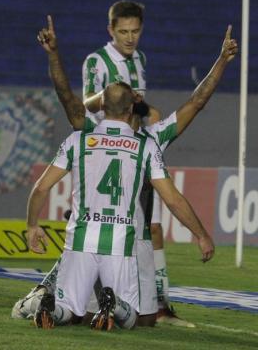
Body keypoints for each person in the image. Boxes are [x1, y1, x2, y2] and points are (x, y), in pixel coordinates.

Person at [12, 16, 237, 327]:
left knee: (80, 312)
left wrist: (53, 55)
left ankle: (51, 302)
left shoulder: (86, 135)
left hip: (86, 233)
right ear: (135, 105)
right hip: (129, 238)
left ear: (103, 105)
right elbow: (196, 102)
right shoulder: (151, 141)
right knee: (139, 320)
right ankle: (89, 303)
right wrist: (222, 60)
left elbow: (67, 98)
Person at [26, 81, 214, 331]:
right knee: (132, 318)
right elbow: (173, 199)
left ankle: (52, 309)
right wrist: (201, 234)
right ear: (130, 109)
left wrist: (32, 226)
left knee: (69, 309)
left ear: (102, 106)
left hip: (81, 237)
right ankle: (114, 306)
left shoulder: (78, 140)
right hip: (120, 241)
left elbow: (40, 187)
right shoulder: (145, 146)